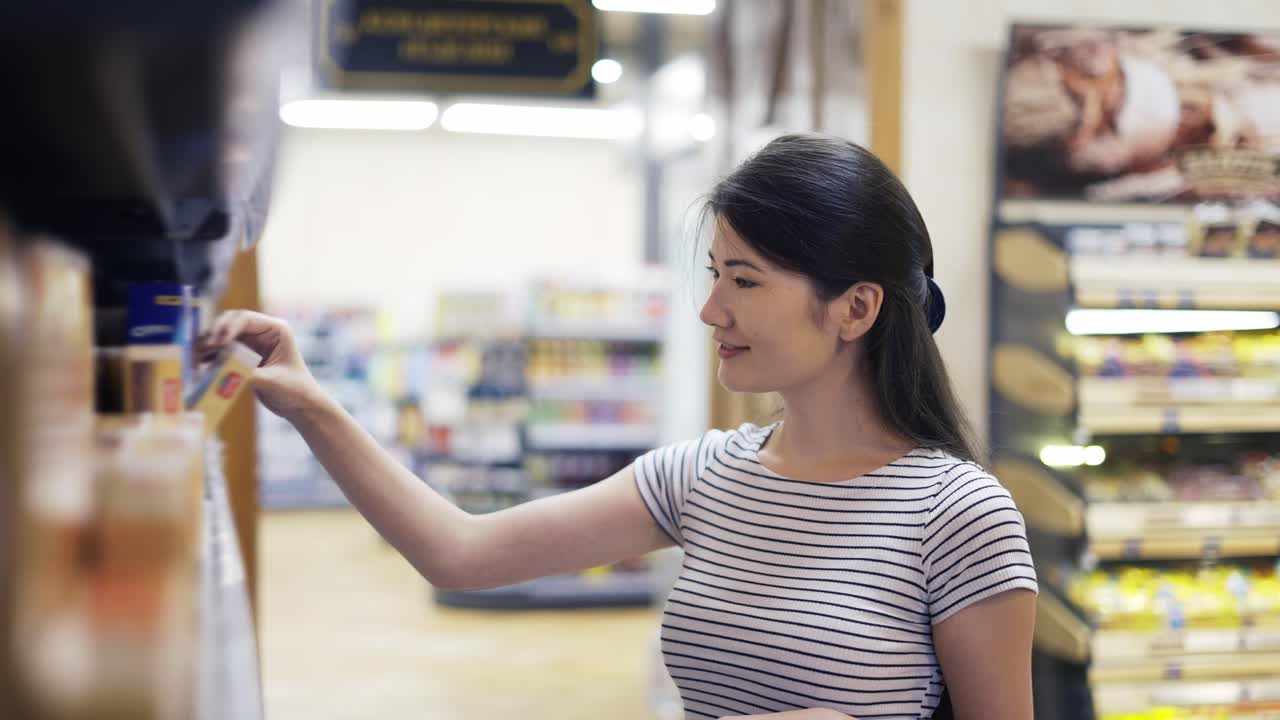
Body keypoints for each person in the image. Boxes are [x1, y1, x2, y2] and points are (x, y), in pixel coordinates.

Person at [203, 134, 1038, 720]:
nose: (712, 309)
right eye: (716, 275)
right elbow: (459, 553)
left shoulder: (957, 515)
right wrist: (311, 405)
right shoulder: (700, 477)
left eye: (744, 281)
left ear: (855, 307)